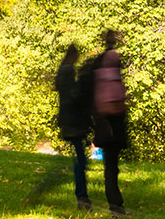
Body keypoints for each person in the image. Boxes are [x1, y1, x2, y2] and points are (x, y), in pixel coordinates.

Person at [26, 44, 95, 210]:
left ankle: (82, 195)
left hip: (69, 120)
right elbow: (72, 97)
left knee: (79, 160)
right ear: (74, 56)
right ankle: (81, 197)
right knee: (80, 161)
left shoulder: (63, 71)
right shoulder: (68, 71)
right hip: (73, 121)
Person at [90, 30, 130, 216]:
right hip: (112, 121)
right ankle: (116, 206)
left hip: (104, 121)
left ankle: (116, 205)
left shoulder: (98, 66)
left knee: (111, 166)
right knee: (112, 167)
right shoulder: (113, 67)